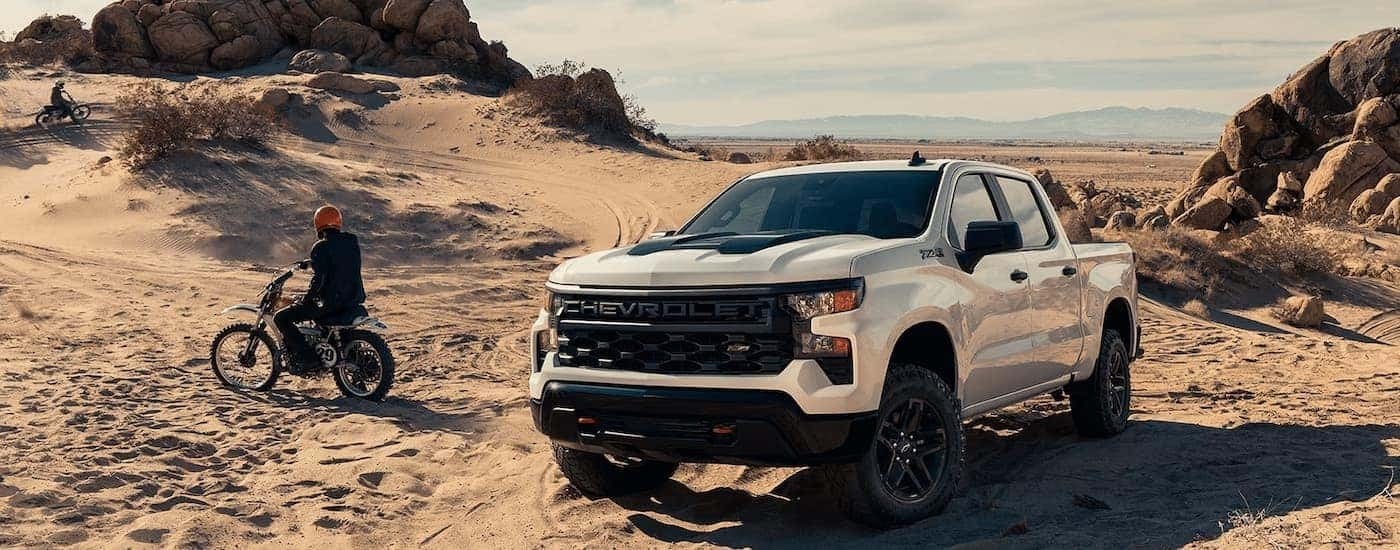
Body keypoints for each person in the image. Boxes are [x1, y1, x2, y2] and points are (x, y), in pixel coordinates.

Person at [274, 205, 367, 371]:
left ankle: (307, 358)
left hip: (330, 303)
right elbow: (339, 260)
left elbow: (320, 278)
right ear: (338, 222)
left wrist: (307, 298)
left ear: (317, 224)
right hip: (352, 298)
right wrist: (311, 263)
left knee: (281, 318)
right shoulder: (352, 241)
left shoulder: (320, 247)